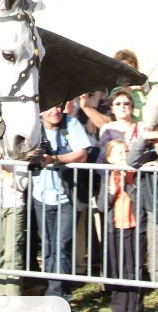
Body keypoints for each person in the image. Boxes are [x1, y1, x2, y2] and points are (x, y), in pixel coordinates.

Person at [28, 103, 91, 302]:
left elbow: (82, 154)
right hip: (41, 197)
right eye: (50, 108)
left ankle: (58, 295)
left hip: (67, 197)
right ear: (41, 111)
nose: (55, 111)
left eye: (58, 107)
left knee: (61, 245)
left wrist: (54, 158)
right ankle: (54, 288)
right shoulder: (34, 126)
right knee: (47, 246)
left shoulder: (70, 123)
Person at [98, 139, 145, 312]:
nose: (125, 156)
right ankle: (119, 306)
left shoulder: (136, 174)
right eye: (120, 153)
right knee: (118, 268)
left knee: (133, 269)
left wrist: (128, 182)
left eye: (126, 151)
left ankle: (135, 306)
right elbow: (103, 206)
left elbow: (141, 200)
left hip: (134, 228)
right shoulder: (107, 176)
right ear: (109, 158)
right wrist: (112, 191)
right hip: (115, 228)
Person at [127, 120, 158, 311]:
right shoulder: (150, 156)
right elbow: (131, 161)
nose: (157, 145)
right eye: (155, 142)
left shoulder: (157, 163)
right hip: (153, 220)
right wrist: (144, 138)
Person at [0, 145, 27, 295]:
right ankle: (0, 295)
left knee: (13, 254)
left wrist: (6, 167)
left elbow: (22, 185)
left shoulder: (19, 155)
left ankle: (14, 296)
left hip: (14, 206)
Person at [98, 89, 146, 162]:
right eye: (118, 104)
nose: (122, 106)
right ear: (112, 109)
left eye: (126, 103)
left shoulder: (142, 127)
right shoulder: (107, 129)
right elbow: (103, 155)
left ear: (132, 108)